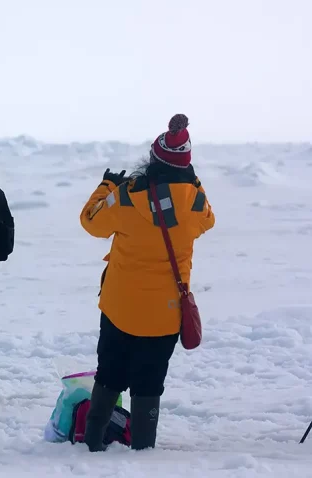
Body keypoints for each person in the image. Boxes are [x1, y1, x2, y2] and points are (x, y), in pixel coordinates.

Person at [78, 114, 216, 451]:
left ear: (152, 159)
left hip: (119, 308)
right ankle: (142, 451)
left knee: (109, 375)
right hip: (165, 315)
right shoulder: (196, 203)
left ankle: (91, 445)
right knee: (149, 383)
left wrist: (107, 185)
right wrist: (192, 181)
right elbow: (208, 221)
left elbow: (91, 221)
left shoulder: (126, 196)